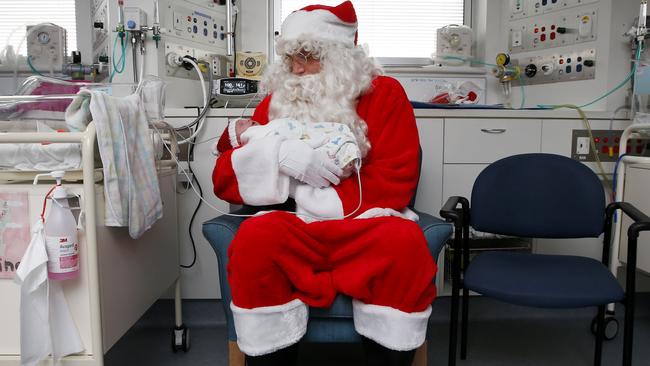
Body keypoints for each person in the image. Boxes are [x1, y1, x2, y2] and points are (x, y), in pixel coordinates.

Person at [211, 2, 437, 365]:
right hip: (293, 226)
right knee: (255, 241)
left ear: (341, 57)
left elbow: (397, 180)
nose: (297, 69)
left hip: (363, 224)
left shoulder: (385, 94)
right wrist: (279, 158)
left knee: (404, 245)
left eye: (309, 56)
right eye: (290, 59)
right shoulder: (275, 102)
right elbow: (224, 179)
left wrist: (323, 196)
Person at [216, 117, 361, 179]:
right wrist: (275, 154)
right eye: (290, 59)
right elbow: (225, 169)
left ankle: (345, 153)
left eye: (305, 57)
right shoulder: (276, 99)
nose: (298, 68)